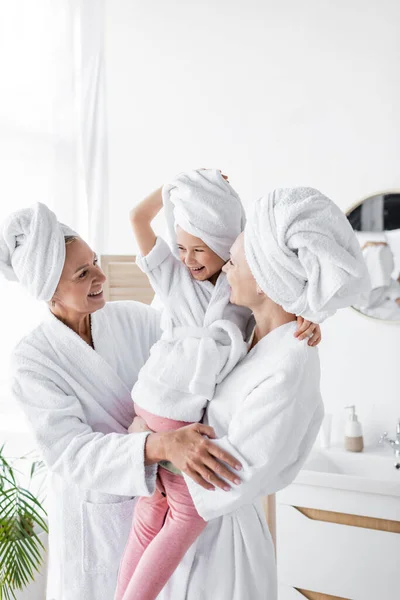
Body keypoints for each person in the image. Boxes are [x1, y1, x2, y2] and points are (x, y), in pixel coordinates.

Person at [0, 200, 320, 600]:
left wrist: (290, 314)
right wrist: (160, 445)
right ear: (50, 291)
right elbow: (68, 452)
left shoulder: (132, 318)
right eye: (83, 273)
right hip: (98, 514)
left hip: (160, 504)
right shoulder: (33, 360)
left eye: (95, 261)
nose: (101, 275)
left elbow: (208, 340)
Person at [134, 186, 370, 600]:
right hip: (187, 536)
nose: (224, 272)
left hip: (224, 554)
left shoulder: (292, 362)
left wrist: (155, 448)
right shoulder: (246, 337)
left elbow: (233, 474)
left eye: (235, 263)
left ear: (264, 280)